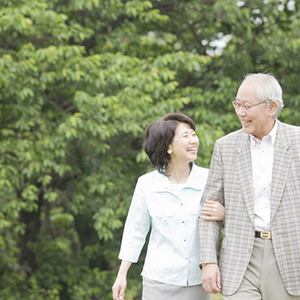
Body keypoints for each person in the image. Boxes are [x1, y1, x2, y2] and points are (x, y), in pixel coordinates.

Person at [199, 73, 300, 300]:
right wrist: (208, 261)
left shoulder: (297, 141)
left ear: (271, 107)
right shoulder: (225, 146)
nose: (240, 112)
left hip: (291, 257)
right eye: (237, 104)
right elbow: (208, 211)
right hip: (240, 259)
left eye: (246, 106)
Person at [112, 113, 225, 300]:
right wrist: (122, 274)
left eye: (193, 134)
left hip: (199, 280)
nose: (193, 140)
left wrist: (224, 214)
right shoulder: (146, 184)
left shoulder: (210, 179)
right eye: (185, 136)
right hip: (159, 281)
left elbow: (234, 228)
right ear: (168, 147)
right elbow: (135, 231)